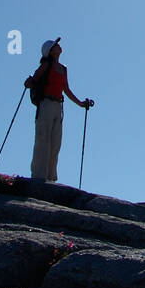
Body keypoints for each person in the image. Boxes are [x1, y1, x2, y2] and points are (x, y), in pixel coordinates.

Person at [26, 39, 93, 183]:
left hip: (57, 106)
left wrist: (81, 104)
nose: (58, 46)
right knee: (43, 139)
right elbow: (34, 79)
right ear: (50, 51)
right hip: (46, 104)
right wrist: (30, 82)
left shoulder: (63, 68)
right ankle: (39, 176)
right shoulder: (46, 65)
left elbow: (66, 89)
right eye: (55, 45)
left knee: (55, 142)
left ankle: (50, 177)